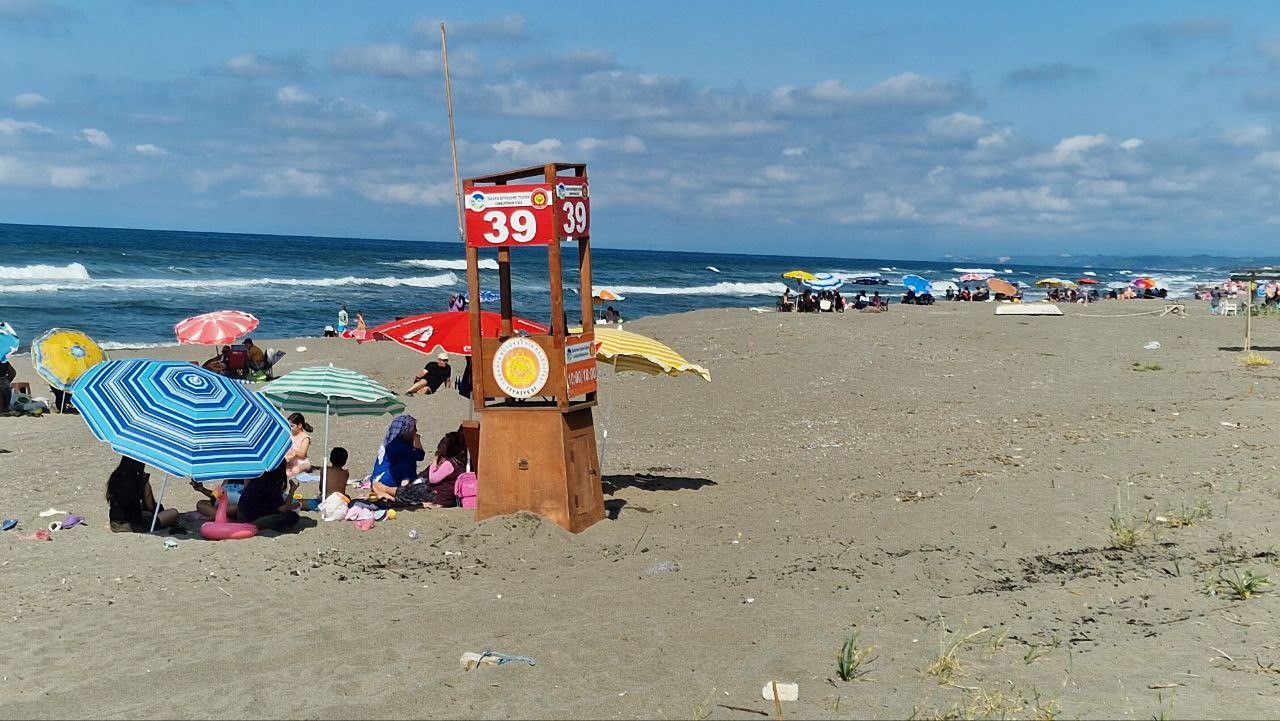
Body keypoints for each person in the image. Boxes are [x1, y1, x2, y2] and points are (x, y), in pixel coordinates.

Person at [107, 456, 180, 533]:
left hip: (115, 523)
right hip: (134, 525)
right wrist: (146, 482)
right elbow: (150, 506)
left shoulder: (115, 476)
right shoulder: (138, 479)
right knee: (174, 512)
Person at [370, 414, 425, 501]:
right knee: (408, 461)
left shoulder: (394, 440)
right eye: (414, 428)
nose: (416, 430)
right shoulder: (398, 444)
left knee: (408, 459)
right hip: (383, 478)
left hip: (382, 476)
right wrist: (417, 439)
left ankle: (404, 485)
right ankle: (404, 487)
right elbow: (420, 455)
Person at [236, 461, 301, 531]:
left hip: (242, 516)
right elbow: (283, 509)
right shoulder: (271, 486)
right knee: (292, 516)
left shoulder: (257, 479)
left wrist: (292, 491)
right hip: (253, 521)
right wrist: (292, 494)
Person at [284, 412, 313, 479]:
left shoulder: (305, 438)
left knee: (295, 470)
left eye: (292, 426)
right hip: (291, 460)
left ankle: (296, 477)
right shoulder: (290, 435)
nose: (290, 428)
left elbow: (303, 454)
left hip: (302, 461)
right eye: (289, 426)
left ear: (299, 425)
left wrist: (294, 452)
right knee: (285, 471)